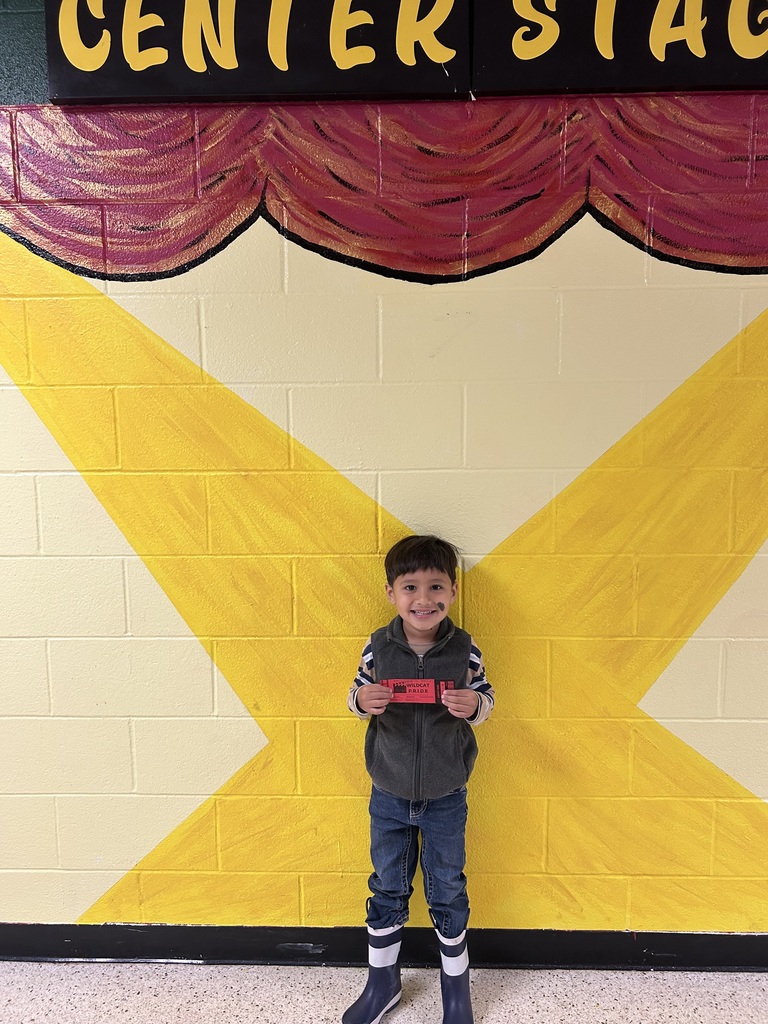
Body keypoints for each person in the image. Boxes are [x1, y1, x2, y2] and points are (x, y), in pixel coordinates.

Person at [343, 535, 495, 1024]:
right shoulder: (377, 647)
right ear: (391, 592)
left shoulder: (466, 650)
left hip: (446, 794)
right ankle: (382, 983)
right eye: (411, 587)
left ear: (453, 590)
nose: (424, 599)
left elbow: (486, 698)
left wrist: (475, 706)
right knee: (387, 885)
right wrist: (362, 702)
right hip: (387, 792)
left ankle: (457, 990)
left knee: (447, 887)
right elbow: (355, 693)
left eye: (436, 587)